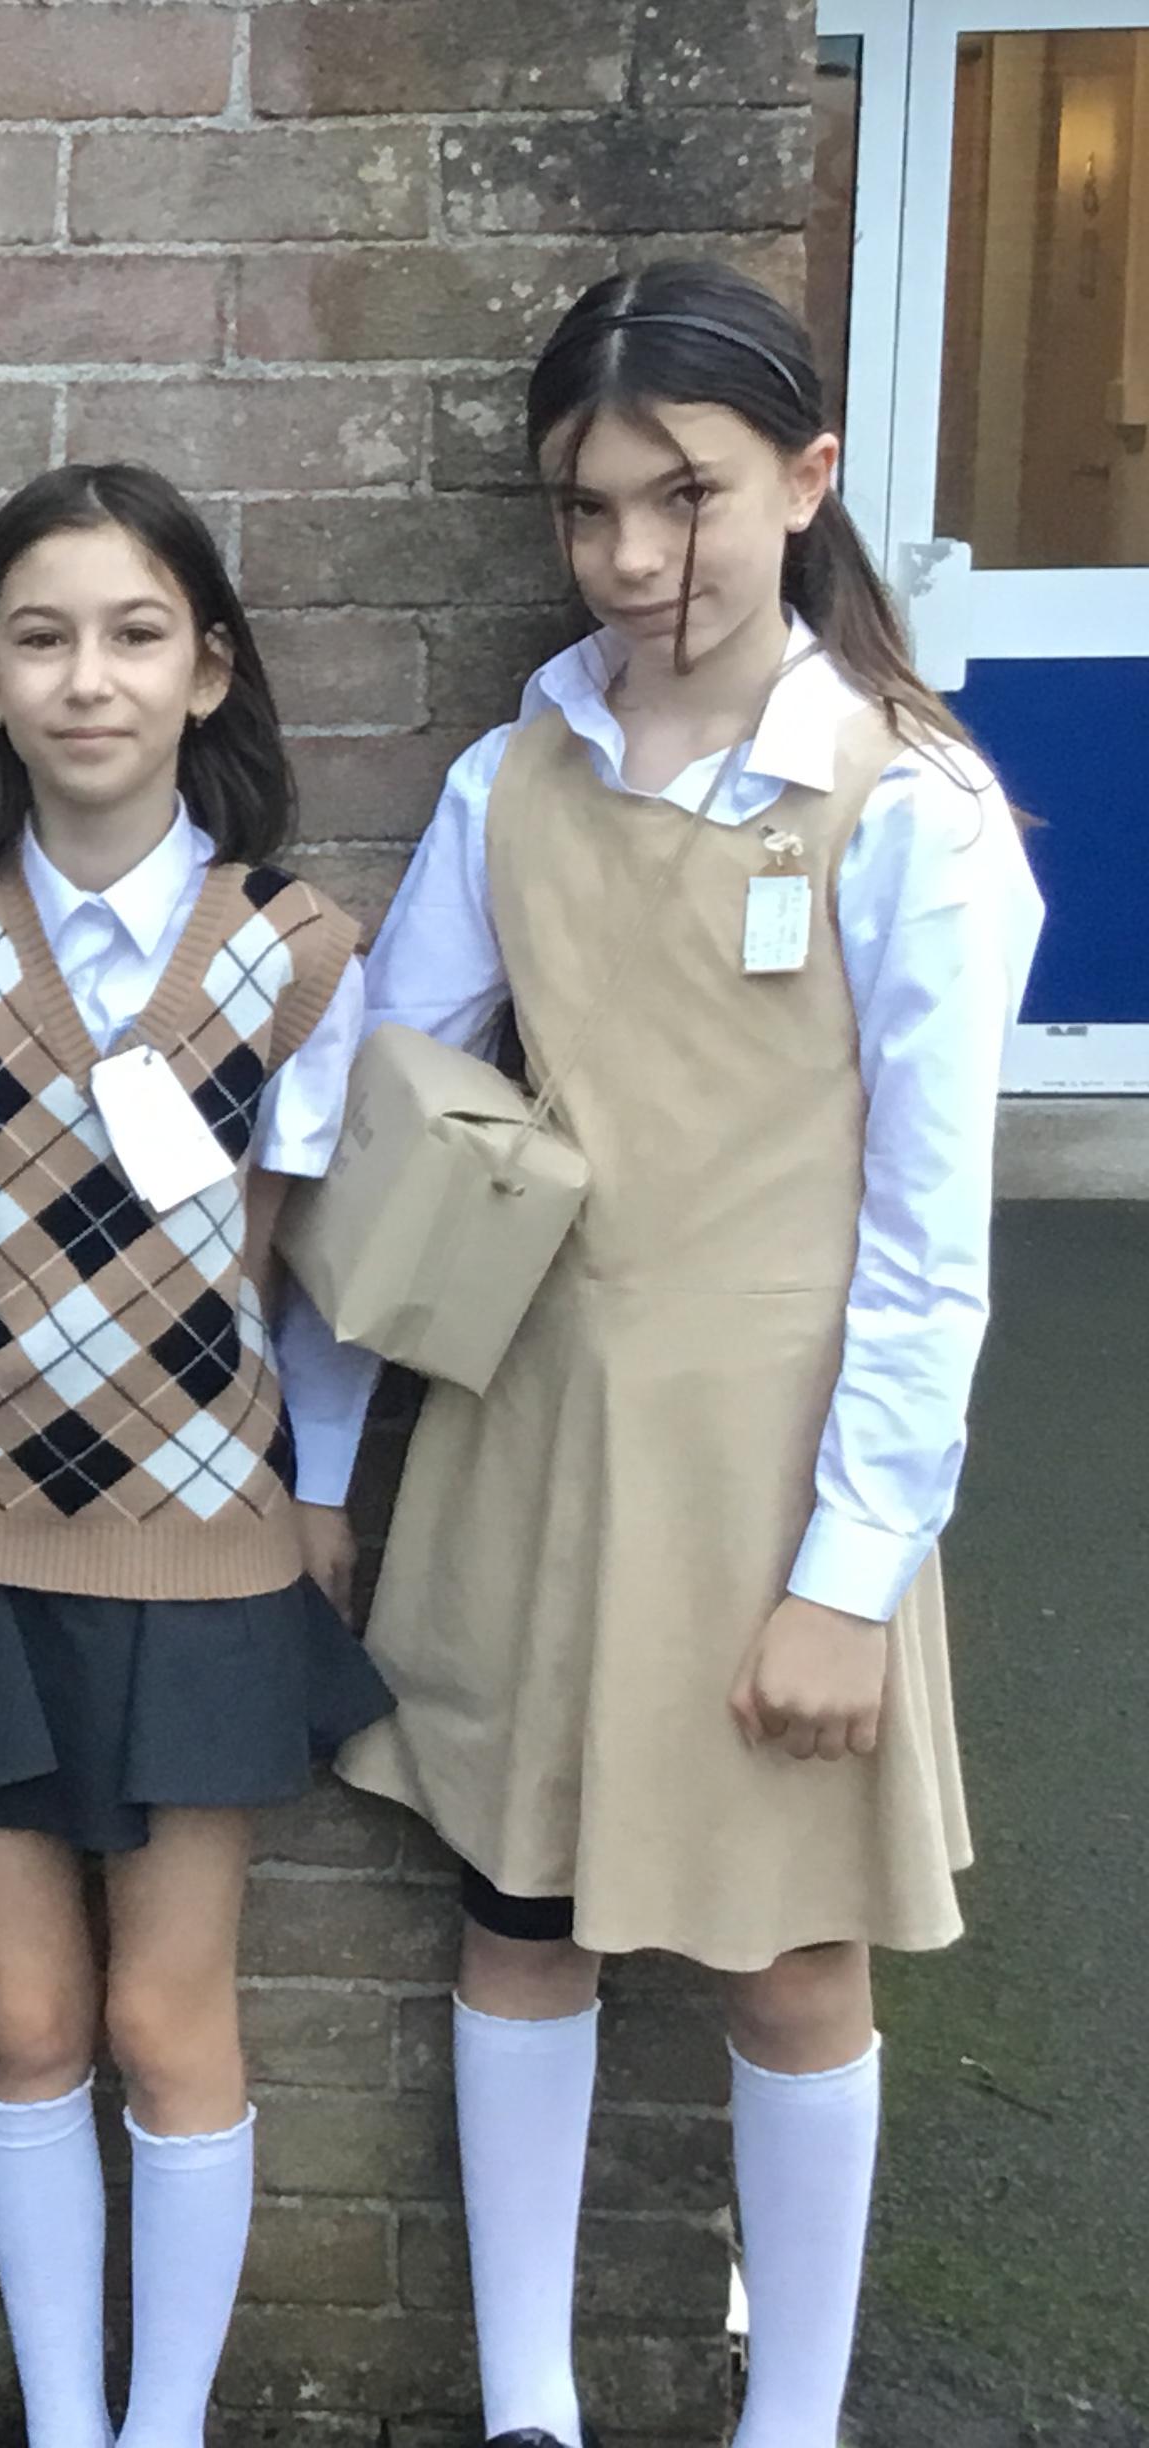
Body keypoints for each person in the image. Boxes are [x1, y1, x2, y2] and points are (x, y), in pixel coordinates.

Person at [282, 261, 1048, 2448]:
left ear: (806, 479)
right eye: (588, 505)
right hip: (534, 1438)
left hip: (775, 1468)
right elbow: (390, 1139)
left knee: (791, 1956)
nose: (633, 556)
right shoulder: (512, 775)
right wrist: (323, 1464)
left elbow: (931, 1245)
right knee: (521, 1914)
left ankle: (792, 2421)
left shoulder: (909, 809)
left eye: (685, 495)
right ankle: (526, 2406)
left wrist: (852, 1575)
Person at [0, 463, 392, 2448]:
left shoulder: (293, 952)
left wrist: (310, 1493)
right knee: (26, 2019)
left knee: (166, 2021)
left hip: (207, 1554)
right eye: (45, 639)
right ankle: (65, 2423)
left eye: (137, 635)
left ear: (205, 671)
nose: (91, 680)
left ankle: (164, 2431)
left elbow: (300, 1270)